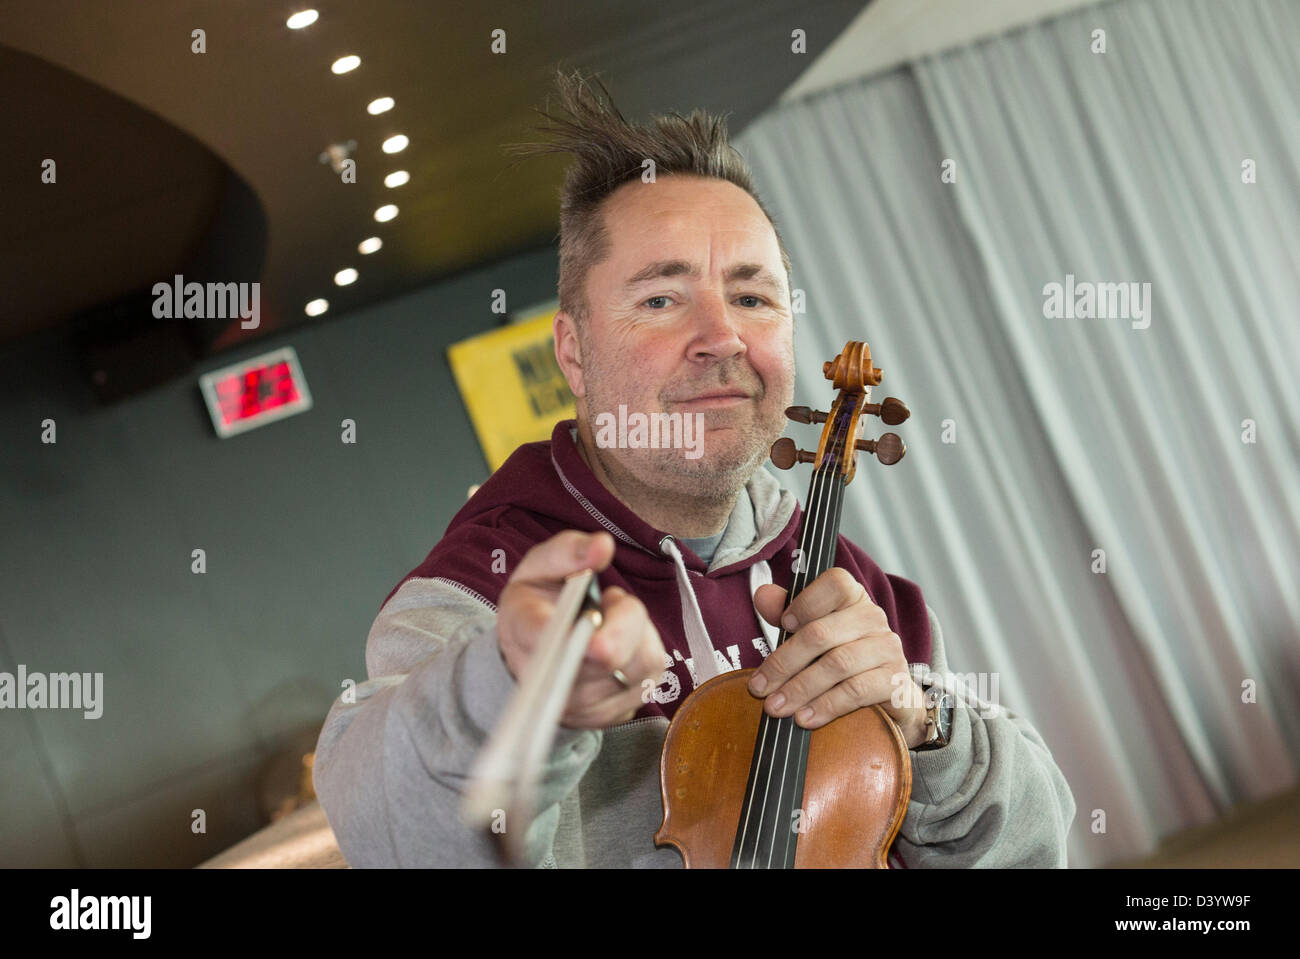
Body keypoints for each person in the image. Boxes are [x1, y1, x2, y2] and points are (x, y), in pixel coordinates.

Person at [312, 69, 1075, 868]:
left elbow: (1034, 847)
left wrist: (928, 725)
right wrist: (513, 691)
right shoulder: (482, 588)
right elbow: (394, 830)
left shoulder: (843, 581)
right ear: (572, 351)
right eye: (661, 300)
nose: (723, 336)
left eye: (753, 298)